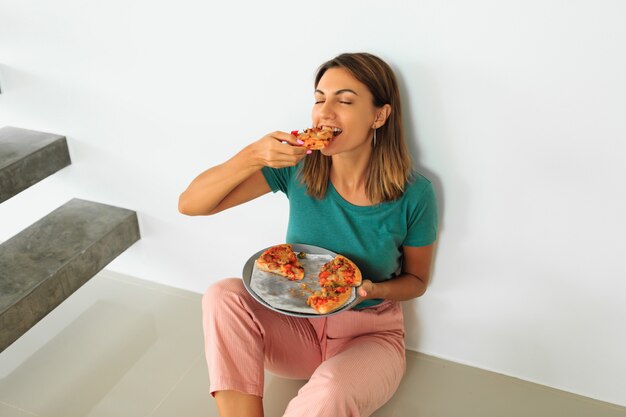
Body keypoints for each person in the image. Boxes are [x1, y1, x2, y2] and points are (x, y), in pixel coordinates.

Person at [178, 52, 438, 417]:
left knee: (331, 390)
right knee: (223, 294)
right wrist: (253, 155)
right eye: (319, 99)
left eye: (344, 100)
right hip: (296, 328)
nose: (325, 112)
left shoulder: (414, 193)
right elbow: (191, 204)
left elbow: (417, 280)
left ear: (379, 115)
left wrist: (376, 289)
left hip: (369, 336)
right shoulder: (298, 169)